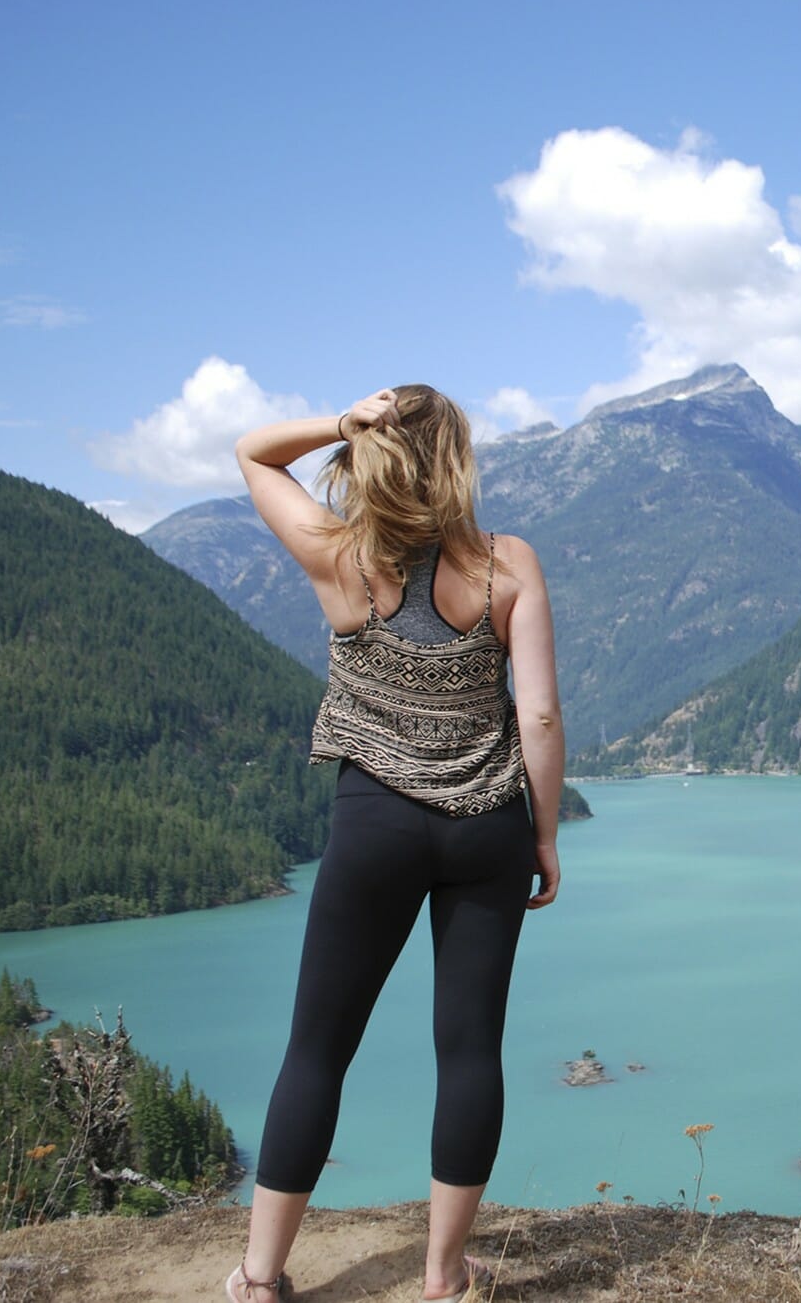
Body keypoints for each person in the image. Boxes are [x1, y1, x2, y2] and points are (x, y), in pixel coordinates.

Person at [225, 386, 563, 1303]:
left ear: (374, 451)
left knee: (317, 1050)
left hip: (372, 825)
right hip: (486, 828)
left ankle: (259, 1278)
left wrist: (341, 421)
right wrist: (542, 835)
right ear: (458, 459)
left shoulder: (341, 557)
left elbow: (255, 453)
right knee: (469, 1050)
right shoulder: (508, 566)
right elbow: (534, 713)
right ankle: (444, 1274)